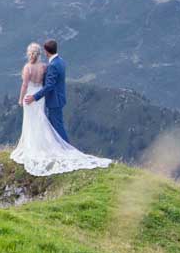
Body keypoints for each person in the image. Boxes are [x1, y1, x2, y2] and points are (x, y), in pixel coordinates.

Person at [11, 39, 111, 177]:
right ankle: (54, 146)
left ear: (45, 52)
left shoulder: (46, 66)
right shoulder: (58, 62)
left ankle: (66, 149)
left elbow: (47, 85)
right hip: (55, 97)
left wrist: (32, 97)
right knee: (47, 123)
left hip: (47, 98)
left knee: (54, 125)